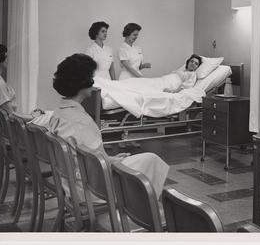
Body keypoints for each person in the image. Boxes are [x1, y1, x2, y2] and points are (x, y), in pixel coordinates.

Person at [48, 53, 169, 201]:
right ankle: (144, 212)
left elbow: (86, 155)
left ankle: (146, 206)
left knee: (148, 160)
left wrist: (110, 158)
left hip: (72, 183)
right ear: (84, 82)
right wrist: (110, 161)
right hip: (91, 188)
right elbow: (95, 164)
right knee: (152, 160)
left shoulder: (58, 113)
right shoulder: (81, 122)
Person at [0, 42, 44, 121]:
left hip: (4, 128)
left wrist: (31, 115)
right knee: (47, 116)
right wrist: (34, 117)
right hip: (11, 130)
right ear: (0, 60)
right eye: (6, 57)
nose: (7, 60)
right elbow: (12, 115)